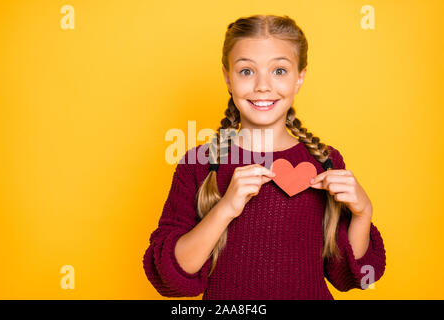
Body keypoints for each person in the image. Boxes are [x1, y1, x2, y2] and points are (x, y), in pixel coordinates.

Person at [143, 14, 386, 300]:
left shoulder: (326, 161)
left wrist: (362, 214)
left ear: (300, 78)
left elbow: (348, 276)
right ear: (227, 77)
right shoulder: (199, 163)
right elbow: (171, 279)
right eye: (246, 71)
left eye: (279, 71)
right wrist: (225, 209)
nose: (262, 86)